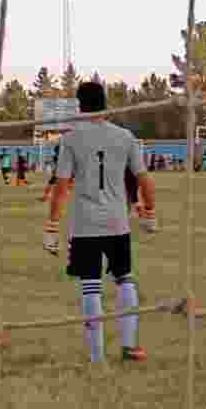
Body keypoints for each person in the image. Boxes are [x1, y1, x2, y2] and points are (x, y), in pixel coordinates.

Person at [43, 81, 158, 363]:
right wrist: (150, 212)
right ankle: (130, 346)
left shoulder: (70, 139)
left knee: (90, 285)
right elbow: (144, 178)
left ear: (79, 105)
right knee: (125, 279)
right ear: (106, 104)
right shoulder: (125, 137)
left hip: (85, 225)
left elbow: (61, 187)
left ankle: (97, 357)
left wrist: (52, 226)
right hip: (118, 222)